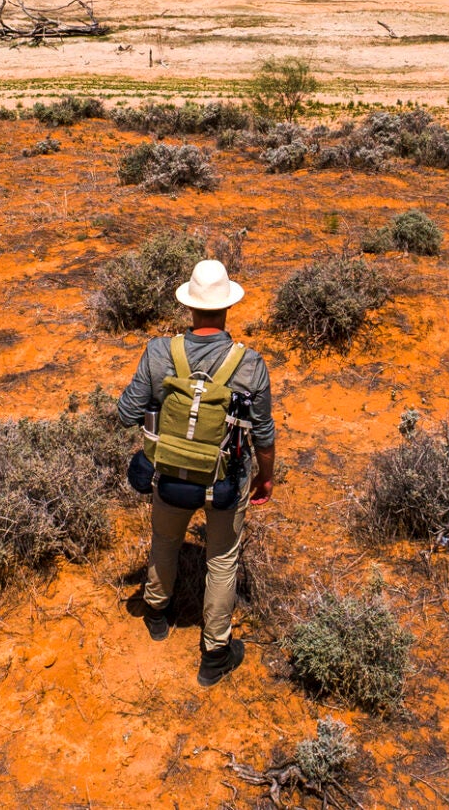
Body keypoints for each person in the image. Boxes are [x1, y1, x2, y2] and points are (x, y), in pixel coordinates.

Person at [115, 258, 275, 686]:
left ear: (189, 306)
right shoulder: (250, 364)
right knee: (222, 560)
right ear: (226, 308)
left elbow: (126, 411)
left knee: (165, 540)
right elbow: (263, 432)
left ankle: (156, 615)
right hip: (225, 480)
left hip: (169, 476)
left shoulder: (159, 352)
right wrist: (266, 476)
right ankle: (214, 654)